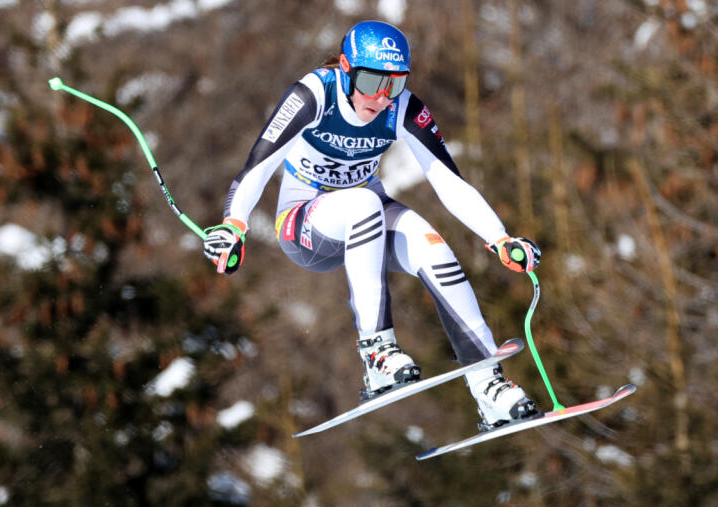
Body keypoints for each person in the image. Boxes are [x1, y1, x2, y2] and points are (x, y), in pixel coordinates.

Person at [202, 20, 541, 430]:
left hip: (368, 215)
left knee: (431, 245)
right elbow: (256, 168)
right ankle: (377, 353)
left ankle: (489, 386)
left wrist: (500, 238)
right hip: (304, 224)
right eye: (370, 81)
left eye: (393, 84)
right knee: (364, 201)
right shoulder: (313, 94)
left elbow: (447, 179)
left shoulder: (403, 107)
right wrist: (233, 226)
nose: (381, 97)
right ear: (345, 68)